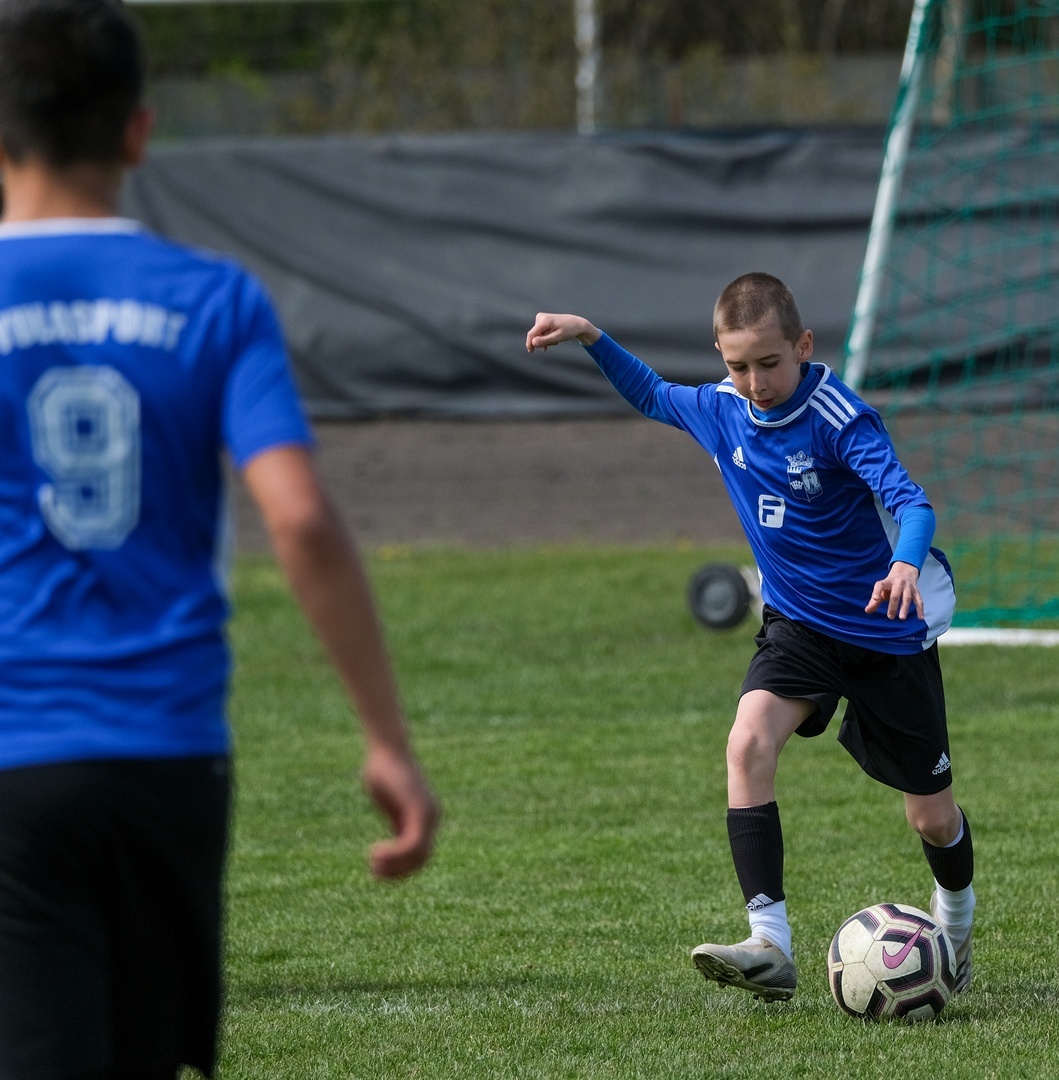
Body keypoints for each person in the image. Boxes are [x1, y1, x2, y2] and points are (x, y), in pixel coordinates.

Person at [0, 2, 440, 1076]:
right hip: (169, 753)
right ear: (139, 131)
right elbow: (300, 517)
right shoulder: (214, 300)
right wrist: (386, 739)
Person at [525, 273, 973, 1001]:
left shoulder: (838, 418)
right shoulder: (724, 409)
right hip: (799, 627)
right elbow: (653, 395)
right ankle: (770, 944)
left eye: (769, 363)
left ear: (803, 346)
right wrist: (590, 335)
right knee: (747, 744)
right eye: (738, 366)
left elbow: (911, 503)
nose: (755, 383)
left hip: (885, 632)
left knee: (931, 814)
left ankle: (955, 921)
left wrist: (902, 564)